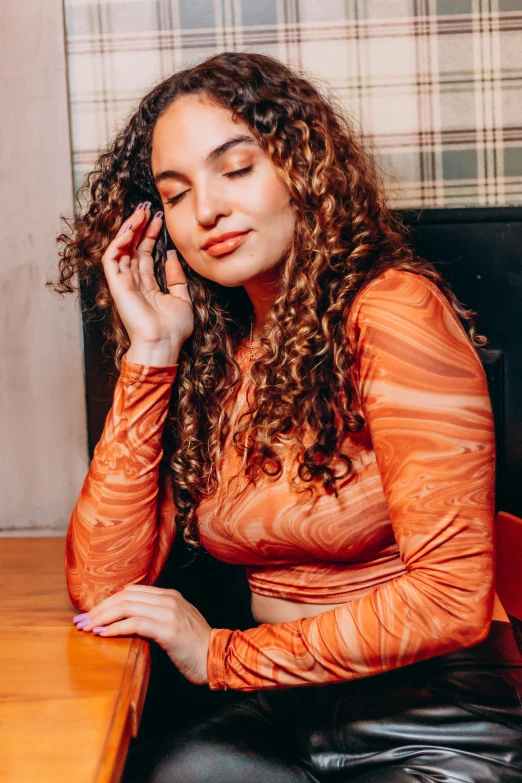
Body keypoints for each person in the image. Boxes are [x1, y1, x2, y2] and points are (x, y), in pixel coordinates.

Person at [52, 52, 522, 782]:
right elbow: (105, 589)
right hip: (281, 712)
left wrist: (220, 653)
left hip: (433, 723)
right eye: (177, 195)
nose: (206, 209)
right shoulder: (216, 351)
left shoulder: (394, 310)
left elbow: (452, 600)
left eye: (236, 170)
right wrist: (151, 352)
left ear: (305, 168)